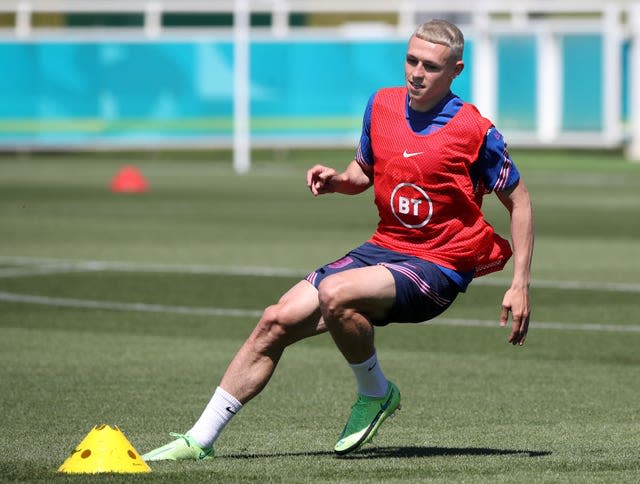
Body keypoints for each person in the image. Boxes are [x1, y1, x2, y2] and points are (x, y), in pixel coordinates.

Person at [142, 18, 534, 461]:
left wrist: (519, 283)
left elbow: (519, 201)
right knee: (275, 319)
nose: (416, 73)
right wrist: (338, 181)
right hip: (384, 248)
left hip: (439, 264)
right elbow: (362, 173)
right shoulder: (382, 106)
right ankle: (198, 440)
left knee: (335, 292)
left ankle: (375, 392)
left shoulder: (474, 130)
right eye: (410, 60)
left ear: (455, 71)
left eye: (430, 66)